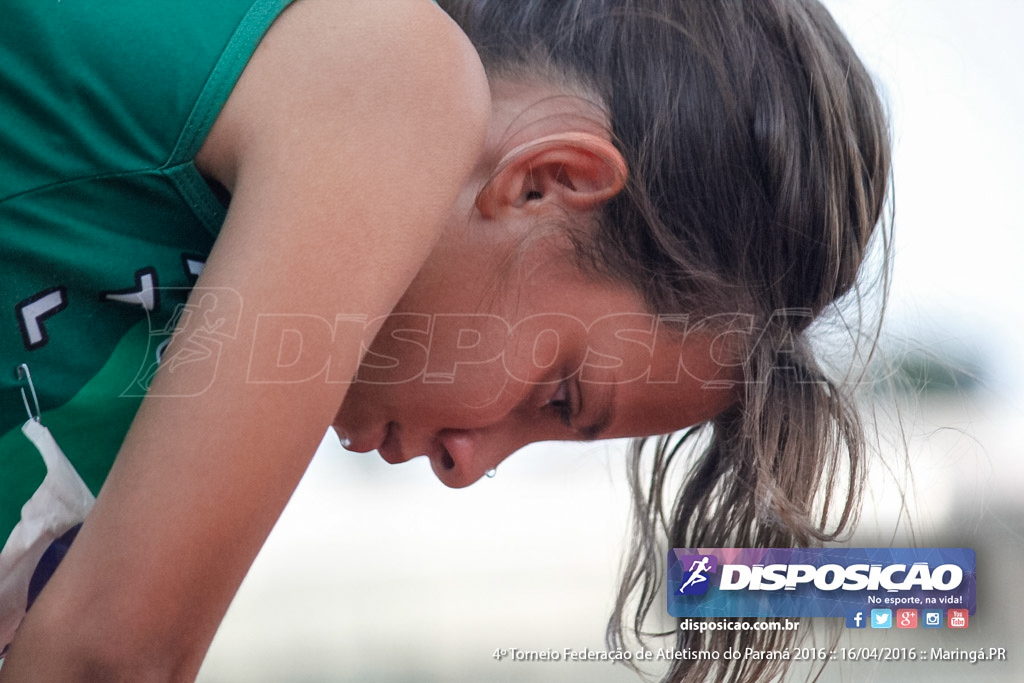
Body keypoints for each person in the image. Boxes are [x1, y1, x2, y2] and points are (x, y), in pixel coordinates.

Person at [0, 0, 890, 680]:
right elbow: (106, 660)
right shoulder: (396, 80)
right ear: (545, 182)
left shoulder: (185, 337)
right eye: (559, 395)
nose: (465, 467)